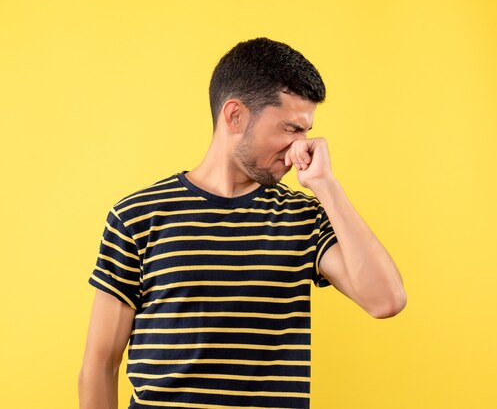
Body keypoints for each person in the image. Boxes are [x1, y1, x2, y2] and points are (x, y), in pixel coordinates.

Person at [78, 37, 407, 409]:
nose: (302, 145)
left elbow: (386, 300)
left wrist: (325, 186)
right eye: (291, 129)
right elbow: (99, 364)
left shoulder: (303, 218)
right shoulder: (138, 216)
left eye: (306, 131)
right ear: (235, 116)